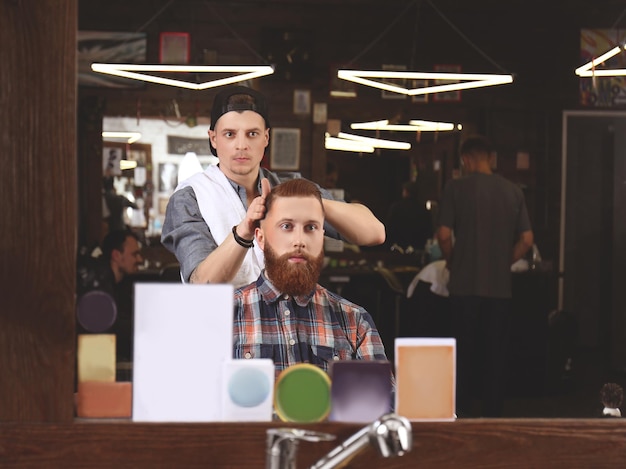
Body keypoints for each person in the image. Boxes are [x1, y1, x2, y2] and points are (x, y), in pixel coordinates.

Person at [161, 85, 385, 288]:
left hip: (287, 327)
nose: (242, 145)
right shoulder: (191, 197)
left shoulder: (290, 187)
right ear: (213, 139)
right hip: (222, 327)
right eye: (230, 134)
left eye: (252, 134)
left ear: (266, 137)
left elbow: (374, 234)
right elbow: (201, 284)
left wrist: (308, 203)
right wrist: (244, 231)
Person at [233, 178, 389, 378]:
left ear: (321, 237)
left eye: (311, 227)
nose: (299, 241)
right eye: (287, 226)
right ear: (261, 239)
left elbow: (381, 406)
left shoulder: (354, 321)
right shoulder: (226, 317)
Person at [436, 134, 534, 418]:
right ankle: (493, 413)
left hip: (464, 286)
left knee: (462, 353)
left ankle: (461, 410)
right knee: (495, 355)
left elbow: (443, 235)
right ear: (490, 158)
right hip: (499, 288)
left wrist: (453, 259)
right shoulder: (513, 191)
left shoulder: (456, 188)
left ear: (466, 159)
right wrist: (504, 262)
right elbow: (527, 239)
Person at [79, 229, 144, 363]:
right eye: (134, 254)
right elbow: (111, 330)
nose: (140, 260)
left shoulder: (117, 283)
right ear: (116, 255)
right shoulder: (98, 287)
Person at [385, 180, 433, 252]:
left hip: (398, 248)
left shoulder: (396, 208)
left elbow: (389, 228)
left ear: (406, 192)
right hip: (418, 248)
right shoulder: (423, 209)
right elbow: (429, 230)